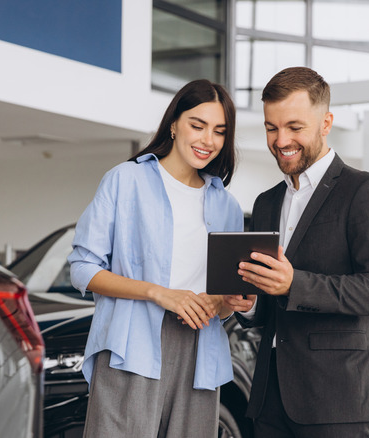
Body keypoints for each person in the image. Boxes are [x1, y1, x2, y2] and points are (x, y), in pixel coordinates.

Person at [223, 67, 369, 438]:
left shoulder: (367, 191)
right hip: (269, 396)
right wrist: (250, 303)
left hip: (337, 397)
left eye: (294, 127)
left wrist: (294, 284)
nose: (281, 139)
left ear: (326, 123)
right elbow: (267, 304)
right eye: (272, 128)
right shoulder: (266, 202)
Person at [68, 79, 243, 438]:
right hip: (132, 343)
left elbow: (224, 306)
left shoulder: (227, 206)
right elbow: (83, 269)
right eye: (197, 125)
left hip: (200, 351)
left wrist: (230, 302)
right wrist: (159, 292)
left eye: (219, 131)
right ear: (174, 124)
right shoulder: (125, 180)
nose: (207, 140)